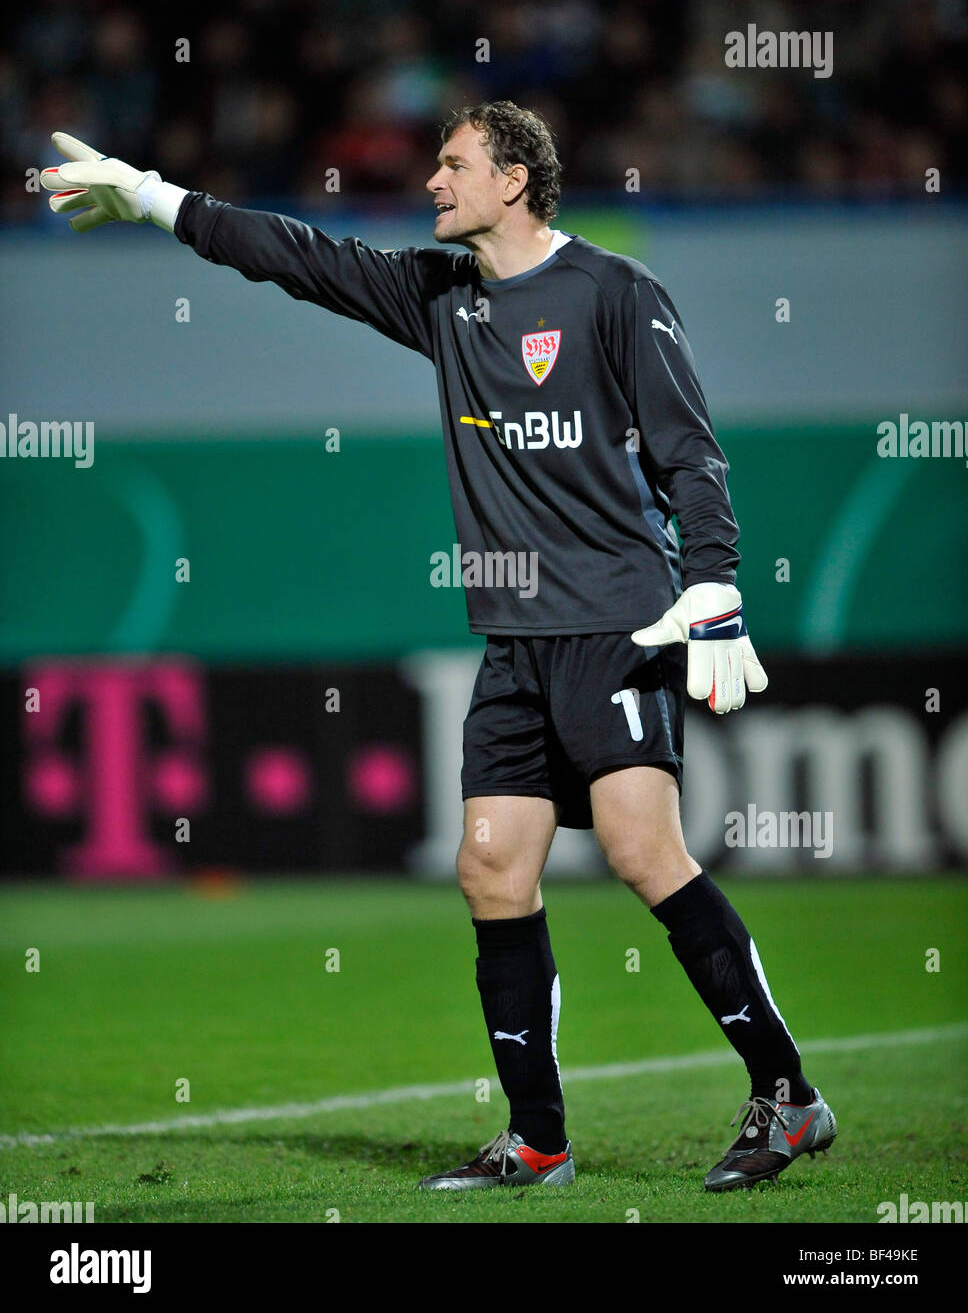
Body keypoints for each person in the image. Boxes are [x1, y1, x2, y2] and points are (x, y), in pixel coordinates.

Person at [40, 101, 836, 1193]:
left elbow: (692, 454)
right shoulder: (440, 297)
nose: (431, 180)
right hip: (510, 639)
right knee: (490, 867)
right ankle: (538, 1139)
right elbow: (300, 257)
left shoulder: (615, 293)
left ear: (514, 180)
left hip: (616, 619)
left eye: (452, 164)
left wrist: (712, 578)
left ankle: (786, 1096)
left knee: (643, 851)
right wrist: (153, 197)